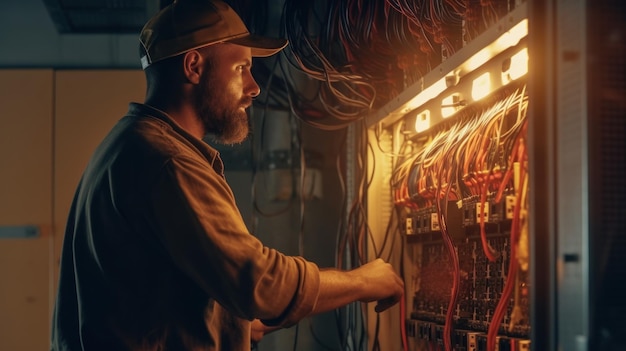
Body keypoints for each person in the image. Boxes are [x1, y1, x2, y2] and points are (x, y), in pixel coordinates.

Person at [50, 0, 404, 350]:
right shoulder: (166, 162)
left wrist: (229, 324)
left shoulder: (131, 145)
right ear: (194, 66)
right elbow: (259, 285)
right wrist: (364, 281)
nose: (254, 87)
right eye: (241, 68)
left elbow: (149, 290)